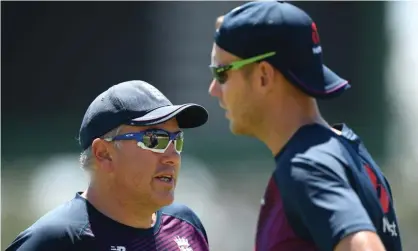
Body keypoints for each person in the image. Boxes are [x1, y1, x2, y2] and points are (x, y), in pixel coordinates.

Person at [209, 2, 402, 251]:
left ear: (263, 76)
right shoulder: (347, 151)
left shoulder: (307, 166)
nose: (213, 90)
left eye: (221, 73)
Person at [6, 80, 210, 251]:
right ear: (104, 154)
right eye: (155, 140)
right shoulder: (55, 241)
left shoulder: (186, 226)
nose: (173, 156)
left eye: (177, 140)